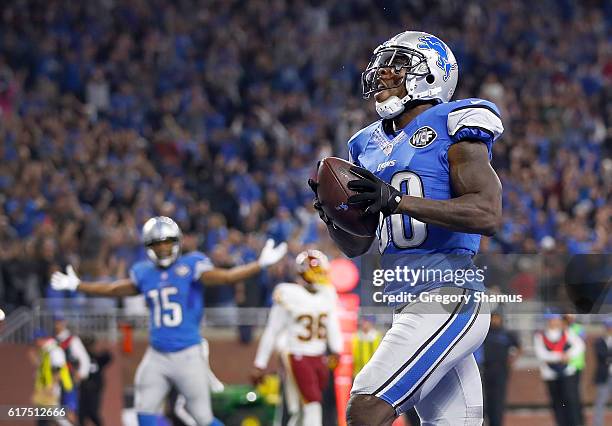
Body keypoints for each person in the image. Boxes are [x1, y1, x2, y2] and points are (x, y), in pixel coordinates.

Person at [309, 30, 502, 425]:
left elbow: (487, 214)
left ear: (431, 73)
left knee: (365, 408)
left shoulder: (454, 121)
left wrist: (398, 201)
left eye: (395, 66)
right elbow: (356, 248)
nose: (380, 74)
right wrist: (335, 218)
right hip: (403, 300)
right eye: (380, 66)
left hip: (447, 295)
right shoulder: (365, 144)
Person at [51, 216, 287, 426]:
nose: (163, 249)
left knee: (202, 417)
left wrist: (259, 265)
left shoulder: (191, 264)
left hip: (188, 354)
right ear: (148, 247)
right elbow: (114, 289)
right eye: (157, 244)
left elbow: (226, 277)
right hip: (157, 355)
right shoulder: (144, 272)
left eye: (167, 243)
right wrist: (79, 285)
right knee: (143, 412)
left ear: (177, 242)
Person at [250, 249, 343, 426]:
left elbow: (332, 324)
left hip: (319, 356)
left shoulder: (327, 293)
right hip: (297, 355)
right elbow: (272, 330)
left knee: (302, 408)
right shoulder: (288, 293)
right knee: (312, 404)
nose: (321, 276)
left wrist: (337, 350)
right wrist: (259, 363)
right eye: (317, 271)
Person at [534, 313, 585, 426]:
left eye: (556, 319)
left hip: (567, 372)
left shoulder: (567, 332)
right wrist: (559, 357)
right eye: (551, 320)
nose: (554, 322)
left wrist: (568, 355)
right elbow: (541, 354)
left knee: (571, 402)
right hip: (550, 374)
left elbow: (580, 346)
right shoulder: (540, 335)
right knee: (557, 403)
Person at [482, 312, 521, 426]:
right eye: (493, 318)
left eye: (497, 318)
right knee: (485, 399)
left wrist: (512, 360)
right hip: (486, 369)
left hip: (501, 369)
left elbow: (519, 347)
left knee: (498, 399)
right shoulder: (485, 333)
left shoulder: (506, 334)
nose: (495, 320)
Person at [30, 328, 74, 426]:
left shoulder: (54, 350)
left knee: (57, 417)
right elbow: (44, 370)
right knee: (46, 418)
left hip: (56, 389)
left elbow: (58, 371)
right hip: (49, 389)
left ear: (42, 339)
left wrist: (50, 387)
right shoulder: (46, 351)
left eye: (36, 340)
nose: (35, 343)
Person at [53, 313, 91, 421]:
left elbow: (84, 358)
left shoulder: (72, 340)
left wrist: (81, 373)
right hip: (56, 380)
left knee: (70, 410)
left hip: (69, 379)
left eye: (60, 322)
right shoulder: (53, 340)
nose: (58, 325)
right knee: (56, 412)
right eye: (56, 322)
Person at [79, 336, 113, 426]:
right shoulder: (80, 358)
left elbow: (108, 357)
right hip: (83, 389)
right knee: (81, 415)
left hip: (94, 389)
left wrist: (106, 349)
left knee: (92, 412)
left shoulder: (95, 357)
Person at [563, 314, 586, 426]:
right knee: (569, 395)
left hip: (576, 365)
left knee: (574, 395)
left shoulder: (577, 328)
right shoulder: (562, 328)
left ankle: (578, 420)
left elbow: (582, 341)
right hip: (566, 366)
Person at [592, 318, 611, 426]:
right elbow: (602, 355)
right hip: (603, 376)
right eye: (608, 327)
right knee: (600, 402)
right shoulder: (599, 341)